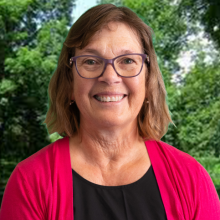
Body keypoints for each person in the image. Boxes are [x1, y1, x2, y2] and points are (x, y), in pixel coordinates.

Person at [0, 4, 219, 220]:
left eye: (127, 61)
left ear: (148, 80)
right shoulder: (30, 181)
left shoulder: (191, 179)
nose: (110, 76)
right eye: (91, 61)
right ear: (69, 84)